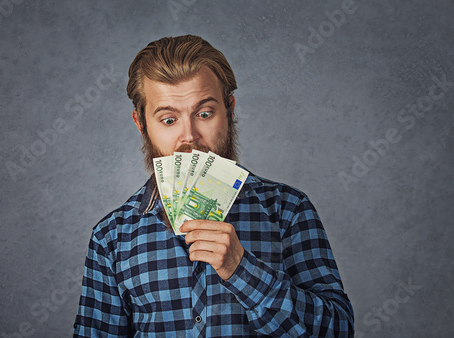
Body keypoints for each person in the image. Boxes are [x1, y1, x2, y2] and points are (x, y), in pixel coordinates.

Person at [73, 35, 354, 337]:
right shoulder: (112, 237)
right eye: (168, 120)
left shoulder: (287, 210)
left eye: (204, 114)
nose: (189, 136)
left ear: (229, 109)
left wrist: (241, 268)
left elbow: (337, 331)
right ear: (141, 123)